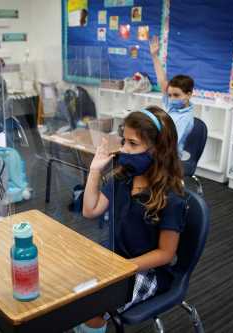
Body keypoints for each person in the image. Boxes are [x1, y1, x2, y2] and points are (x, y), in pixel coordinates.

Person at [80, 106, 187, 333]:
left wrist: (124, 267)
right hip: (115, 260)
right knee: (71, 290)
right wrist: (94, 171)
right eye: (124, 141)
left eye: (133, 144)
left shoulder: (171, 198)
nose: (124, 150)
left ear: (158, 150)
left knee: (92, 309)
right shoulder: (123, 177)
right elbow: (90, 210)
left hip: (145, 271)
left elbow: (166, 253)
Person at [150, 35, 194, 155]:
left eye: (176, 95)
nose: (171, 99)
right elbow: (163, 81)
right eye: (169, 95)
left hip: (170, 157)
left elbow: (170, 144)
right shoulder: (174, 106)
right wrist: (154, 56)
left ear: (188, 95)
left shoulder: (185, 118)